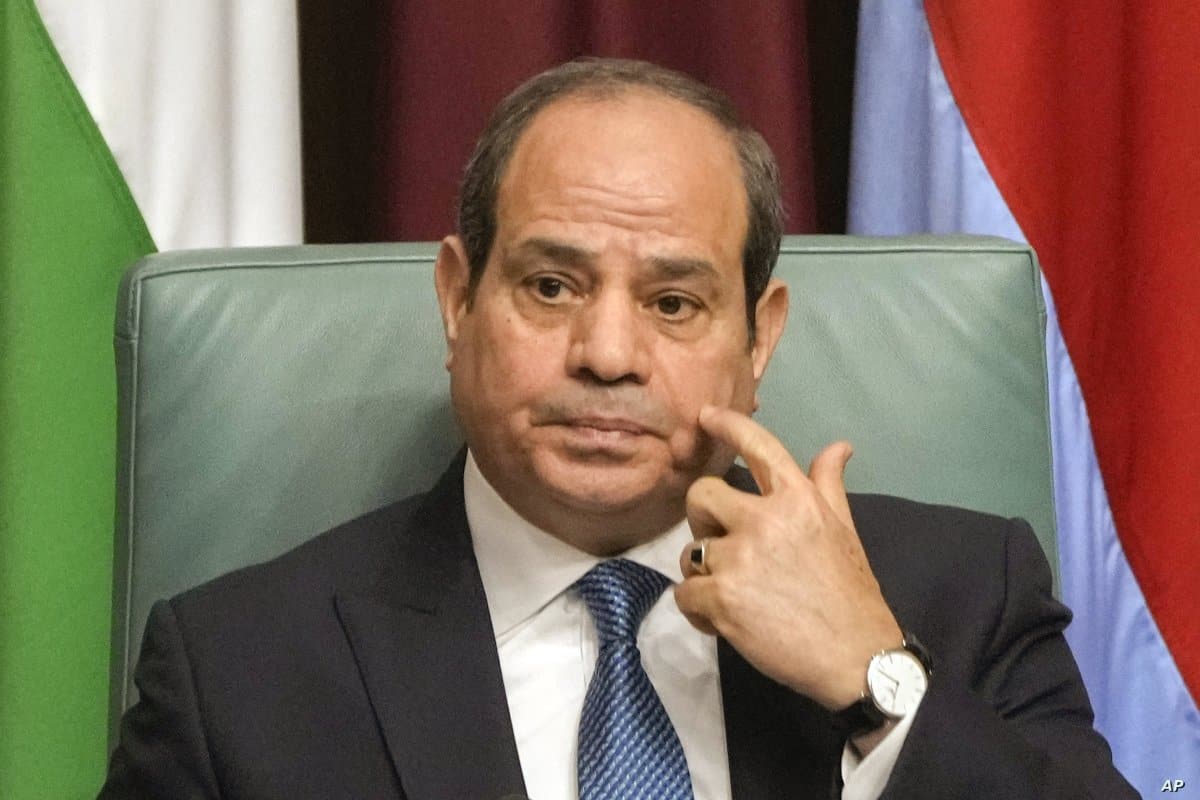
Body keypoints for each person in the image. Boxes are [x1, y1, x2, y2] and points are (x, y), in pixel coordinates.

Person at [100, 58, 1135, 799]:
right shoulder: (237, 670)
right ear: (457, 302)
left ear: (760, 340)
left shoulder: (961, 594)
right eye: (551, 286)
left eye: (674, 303)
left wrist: (876, 684)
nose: (606, 353)